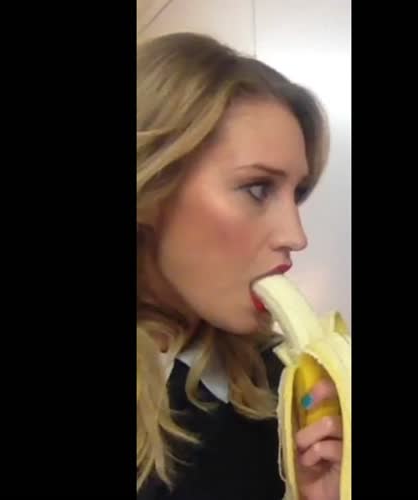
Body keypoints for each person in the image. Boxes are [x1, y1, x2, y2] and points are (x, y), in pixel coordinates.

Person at [137, 32, 343, 500]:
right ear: (152, 187)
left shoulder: (286, 390)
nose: (296, 236)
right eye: (257, 189)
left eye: (297, 194)